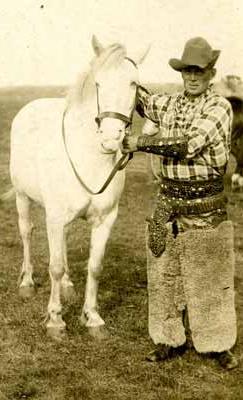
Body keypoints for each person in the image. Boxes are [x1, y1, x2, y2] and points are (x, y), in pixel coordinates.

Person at [123, 37, 238, 370]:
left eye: (198, 71)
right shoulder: (170, 103)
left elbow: (187, 144)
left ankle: (217, 346)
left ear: (210, 73)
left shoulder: (219, 107)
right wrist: (123, 72)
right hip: (167, 203)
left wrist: (139, 142)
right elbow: (142, 101)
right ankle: (167, 340)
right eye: (187, 70)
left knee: (210, 277)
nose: (192, 77)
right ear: (181, 72)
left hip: (207, 205)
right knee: (163, 276)